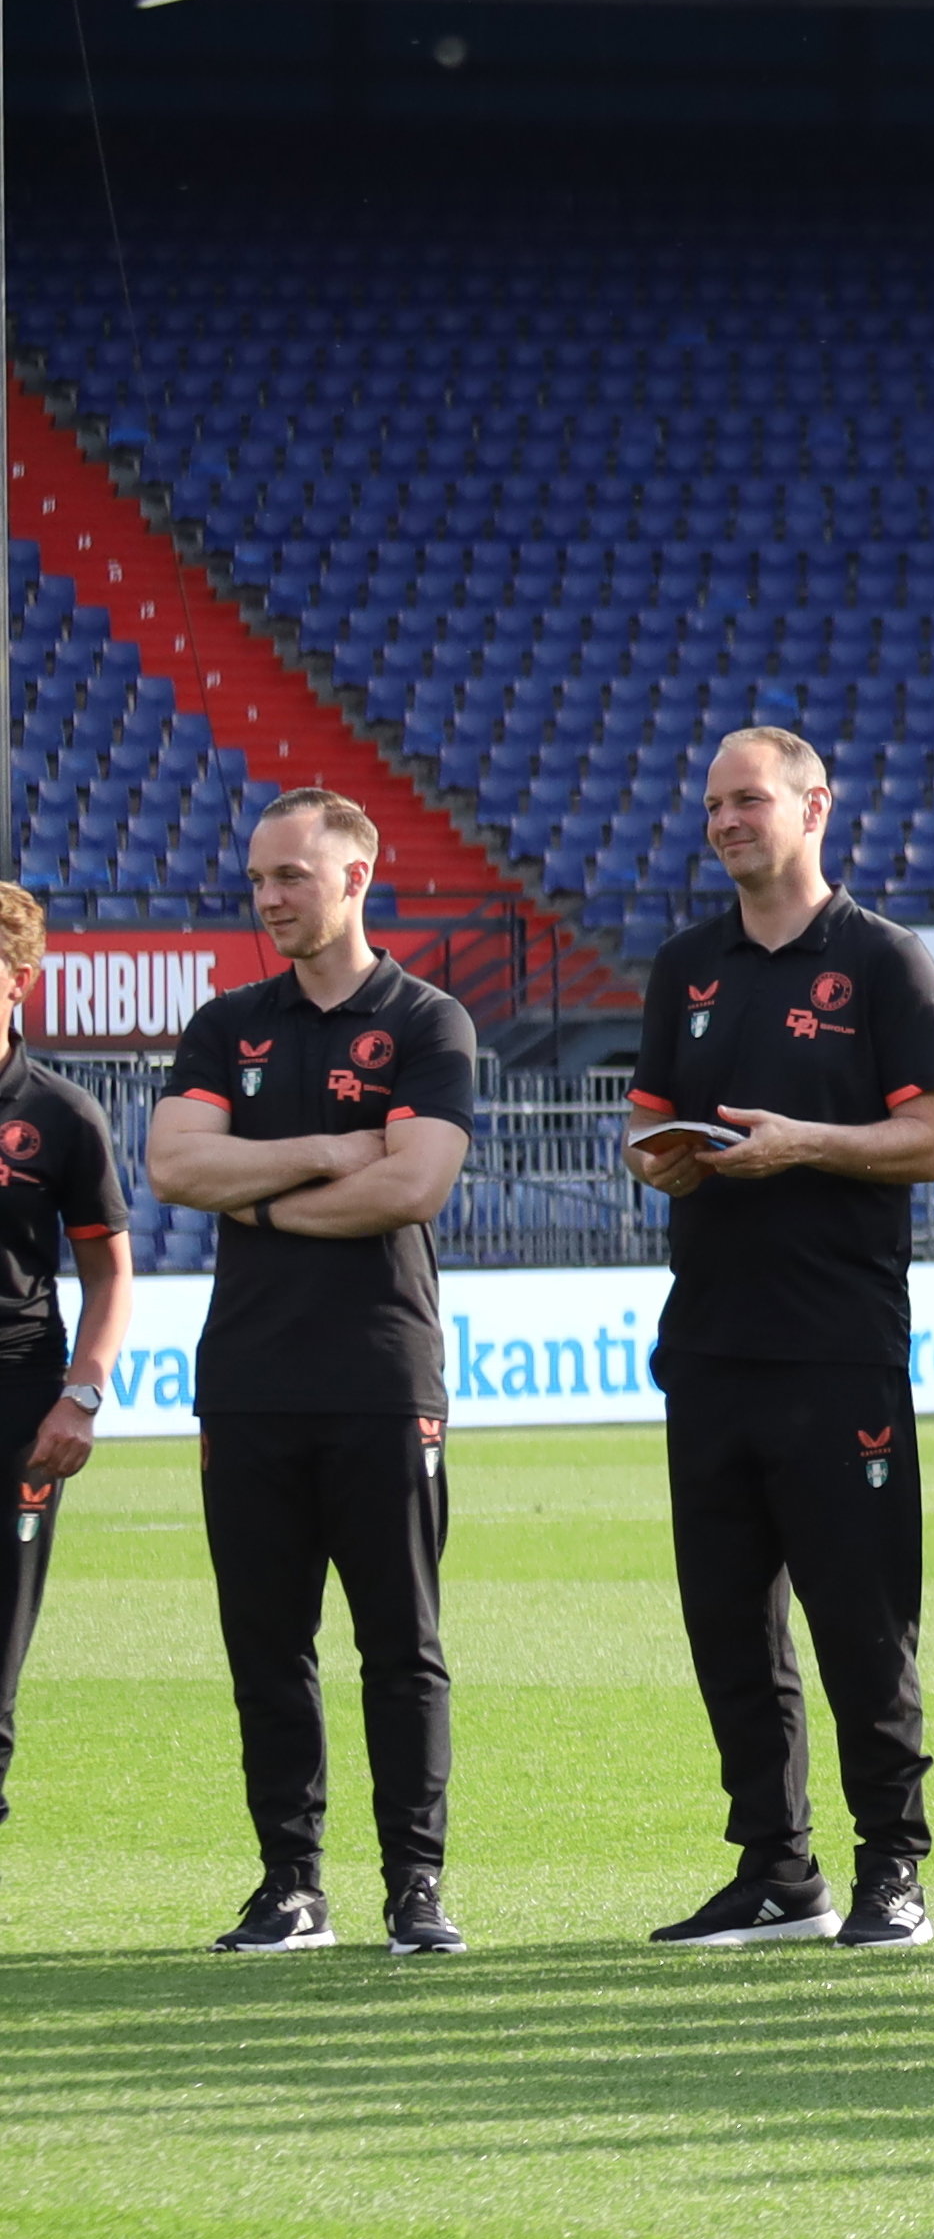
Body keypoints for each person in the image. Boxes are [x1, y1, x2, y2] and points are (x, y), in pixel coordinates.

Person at [604, 730, 934, 1951]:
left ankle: (894, 1869)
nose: (724, 820)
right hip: (707, 1342)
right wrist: (663, 1159)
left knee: (862, 1617)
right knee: (728, 1622)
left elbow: (929, 1140)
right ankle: (777, 1868)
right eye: (711, 802)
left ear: (815, 806)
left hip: (836, 1346)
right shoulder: (686, 965)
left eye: (747, 799)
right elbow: (651, 1123)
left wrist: (801, 1141)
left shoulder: (881, 962)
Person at [150, 791, 481, 1955]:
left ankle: (415, 1885)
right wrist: (334, 1148)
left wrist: (264, 1195)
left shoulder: (430, 1020)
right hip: (245, 1378)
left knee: (401, 1642)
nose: (271, 898)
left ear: (357, 877)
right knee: (267, 1646)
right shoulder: (226, 1021)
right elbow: (173, 1165)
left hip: (384, 1375)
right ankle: (290, 1885)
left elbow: (413, 1185)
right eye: (258, 880)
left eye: (292, 875)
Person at [0, 891, 124, 1831]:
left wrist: (79, 1397)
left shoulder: (61, 1115)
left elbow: (108, 1273)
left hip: (20, 1402)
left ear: (20, 982)